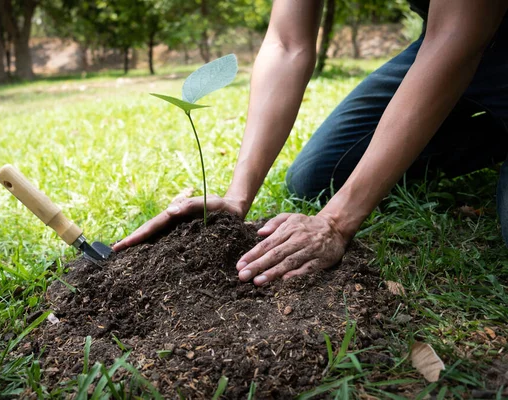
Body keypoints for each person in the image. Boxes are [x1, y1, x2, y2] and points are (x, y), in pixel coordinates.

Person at [113, 0, 508, 286]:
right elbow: (287, 43)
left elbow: (458, 39)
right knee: (318, 177)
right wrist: (237, 197)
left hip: (461, 34)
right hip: (442, 41)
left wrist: (335, 222)